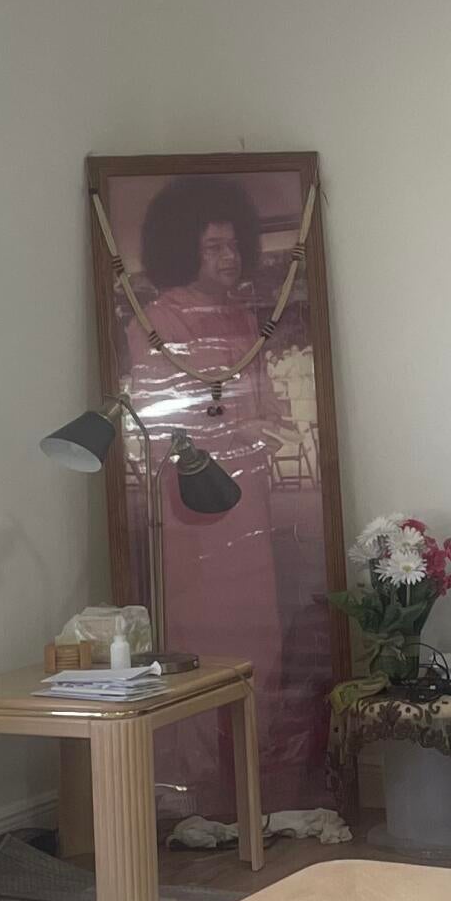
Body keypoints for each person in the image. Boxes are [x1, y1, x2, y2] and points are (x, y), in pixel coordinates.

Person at [121, 176, 329, 827]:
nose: (228, 258)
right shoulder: (158, 321)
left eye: (234, 245)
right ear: (185, 250)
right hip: (194, 509)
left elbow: (264, 402)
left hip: (249, 505)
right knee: (199, 639)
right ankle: (192, 792)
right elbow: (165, 420)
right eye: (213, 247)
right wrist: (237, 430)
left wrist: (267, 425)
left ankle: (251, 782)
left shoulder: (244, 317)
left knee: (257, 635)